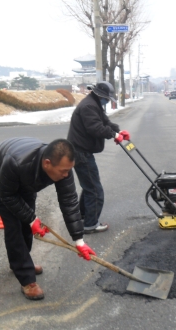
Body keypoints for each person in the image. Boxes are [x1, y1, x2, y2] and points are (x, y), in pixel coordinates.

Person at [0, 138, 96, 300]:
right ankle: (26, 280)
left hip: (25, 180)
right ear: (47, 163)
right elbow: (7, 195)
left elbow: (69, 201)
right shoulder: (17, 163)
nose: (66, 175)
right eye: (63, 171)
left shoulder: (63, 168)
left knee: (27, 224)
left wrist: (79, 241)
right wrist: (31, 219)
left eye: (69, 170)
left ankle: (22, 263)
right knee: (14, 224)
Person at [67, 81, 130, 234]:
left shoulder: (94, 104)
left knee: (89, 186)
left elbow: (105, 122)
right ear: (100, 95)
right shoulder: (89, 106)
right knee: (95, 189)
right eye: (106, 98)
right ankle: (90, 224)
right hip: (80, 152)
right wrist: (113, 135)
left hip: (81, 150)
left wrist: (118, 131)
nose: (107, 101)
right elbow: (95, 128)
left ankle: (83, 215)